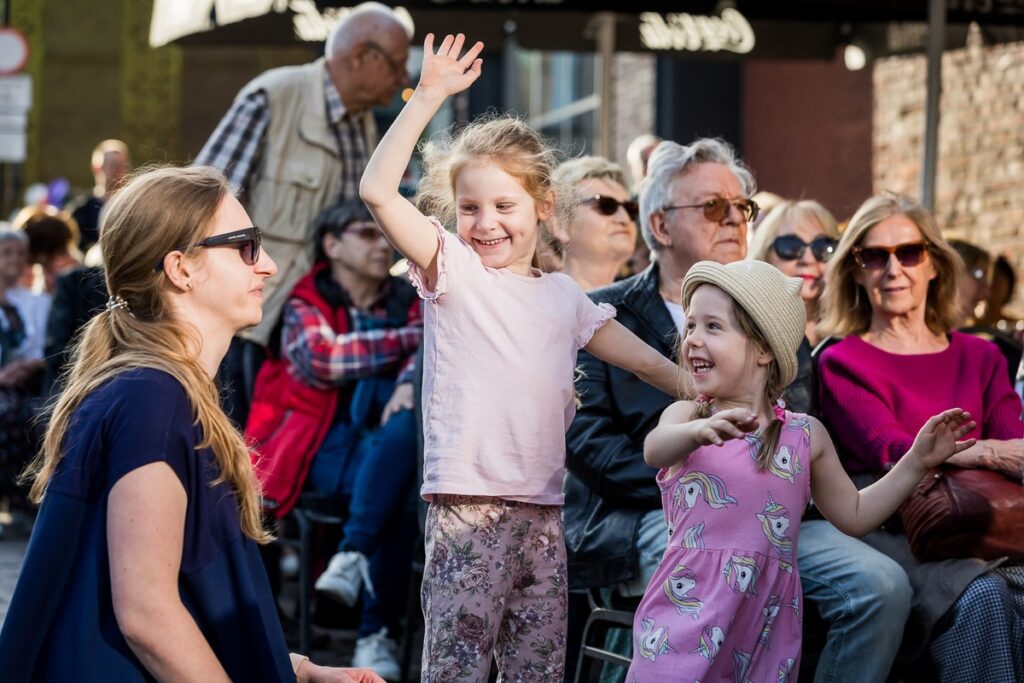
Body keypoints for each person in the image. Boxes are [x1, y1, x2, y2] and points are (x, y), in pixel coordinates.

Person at [359, 33, 687, 680]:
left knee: (536, 666)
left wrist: (705, 392)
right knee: (457, 663)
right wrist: (427, 97)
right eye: (470, 208)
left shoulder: (564, 296)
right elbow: (378, 192)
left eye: (504, 206)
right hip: (467, 505)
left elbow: (649, 363)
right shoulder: (453, 269)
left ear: (542, 209)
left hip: (544, 508)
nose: (486, 222)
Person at [0, 166, 383, 683]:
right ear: (181, 268)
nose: (267, 264)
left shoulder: (155, 390)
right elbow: (147, 613)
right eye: (246, 245)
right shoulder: (150, 397)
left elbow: (183, 600)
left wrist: (295, 670)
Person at [565, 147, 915, 683]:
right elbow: (589, 442)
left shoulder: (772, 321)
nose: (733, 219)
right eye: (712, 207)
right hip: (648, 513)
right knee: (716, 577)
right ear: (659, 223)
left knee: (882, 585)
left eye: (742, 208)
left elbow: (791, 439)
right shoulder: (604, 314)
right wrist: (700, 468)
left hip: (772, 515)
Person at [626, 259, 974, 681]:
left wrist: (916, 461)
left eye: (713, 327)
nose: (693, 340)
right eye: (691, 326)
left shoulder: (806, 436)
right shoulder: (686, 415)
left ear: (764, 349)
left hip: (763, 620)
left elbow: (856, 514)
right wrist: (701, 430)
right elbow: (654, 450)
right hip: (688, 609)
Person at [817, 190, 1024, 681]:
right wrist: (991, 451)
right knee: (986, 599)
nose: (894, 269)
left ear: (934, 264)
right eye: (875, 256)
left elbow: (1017, 444)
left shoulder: (983, 356)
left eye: (909, 252)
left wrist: (983, 454)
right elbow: (892, 451)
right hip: (902, 533)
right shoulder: (842, 361)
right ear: (854, 269)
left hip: (993, 525)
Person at [195, 2, 411, 424]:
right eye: (397, 65)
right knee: (226, 442)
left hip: (307, 325)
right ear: (362, 57)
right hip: (245, 326)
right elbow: (198, 201)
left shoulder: (363, 122)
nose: (404, 78)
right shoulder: (274, 96)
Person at [247, 200, 422, 678]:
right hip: (318, 445)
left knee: (405, 478)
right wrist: (410, 342)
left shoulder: (408, 298)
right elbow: (323, 360)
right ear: (332, 245)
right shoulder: (305, 299)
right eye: (366, 233)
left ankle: (351, 560)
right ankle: (374, 633)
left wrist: (408, 376)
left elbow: (435, 354)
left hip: (384, 442)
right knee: (401, 486)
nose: (381, 243)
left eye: (383, 233)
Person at [748, 199, 840, 410]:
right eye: (790, 246)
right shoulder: (746, 336)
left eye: (823, 247)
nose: (808, 259)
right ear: (765, 256)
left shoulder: (861, 333)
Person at [0, 229, 46, 501]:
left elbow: (42, 348)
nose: (15, 259)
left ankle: (21, 500)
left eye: (20, 253)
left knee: (32, 417)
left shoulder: (35, 301)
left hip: (24, 384)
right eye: (7, 253)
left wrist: (28, 366)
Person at [552, 156, 638, 291]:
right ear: (559, 223)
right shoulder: (536, 304)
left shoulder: (644, 303)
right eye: (606, 206)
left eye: (630, 209)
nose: (624, 218)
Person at [66, 139, 132, 251]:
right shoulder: (80, 210)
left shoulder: (134, 208)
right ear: (96, 168)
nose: (118, 171)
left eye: (122, 165)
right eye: (112, 165)